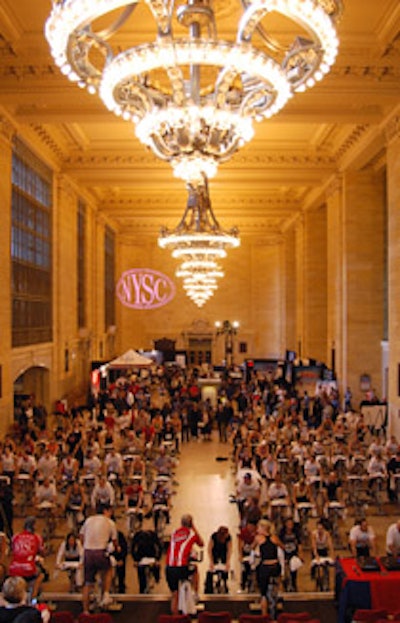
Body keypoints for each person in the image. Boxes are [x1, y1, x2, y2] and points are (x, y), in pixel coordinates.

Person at [80, 502, 118, 613]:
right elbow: (115, 541)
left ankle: (85, 611)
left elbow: (81, 536)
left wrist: (86, 546)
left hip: (88, 552)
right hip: (100, 552)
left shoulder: (88, 520)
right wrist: (117, 547)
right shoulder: (110, 522)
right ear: (106, 511)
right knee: (108, 569)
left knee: (87, 583)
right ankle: (106, 593)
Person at [165, 514, 204, 615]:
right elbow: (201, 543)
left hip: (169, 567)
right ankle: (195, 593)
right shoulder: (191, 533)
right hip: (181, 567)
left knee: (174, 595)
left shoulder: (174, 533)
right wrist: (194, 528)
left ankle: (175, 618)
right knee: (194, 568)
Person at [9, 517, 45, 601]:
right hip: (28, 568)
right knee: (41, 575)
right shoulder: (37, 537)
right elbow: (42, 552)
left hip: (14, 568)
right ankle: (33, 599)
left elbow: (11, 550)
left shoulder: (15, 536)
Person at [254, 519, 284, 617]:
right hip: (275, 566)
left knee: (263, 594)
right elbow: (282, 547)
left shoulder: (259, 538)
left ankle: (264, 616)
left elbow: (252, 548)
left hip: (265, 567)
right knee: (275, 587)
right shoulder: (274, 538)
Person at [131, 529, 162, 593]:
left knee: (156, 568)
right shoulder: (138, 535)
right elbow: (133, 547)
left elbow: (159, 547)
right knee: (141, 573)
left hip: (151, 556)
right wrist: (135, 560)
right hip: (140, 557)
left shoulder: (153, 534)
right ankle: (142, 589)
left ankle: (156, 578)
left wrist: (158, 559)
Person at [205, 526, 232, 593]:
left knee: (225, 571)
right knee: (210, 572)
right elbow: (209, 549)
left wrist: (228, 562)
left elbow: (229, 549)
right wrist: (211, 561)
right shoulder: (214, 536)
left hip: (223, 556)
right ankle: (209, 589)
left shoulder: (228, 538)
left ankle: (224, 585)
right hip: (215, 555)